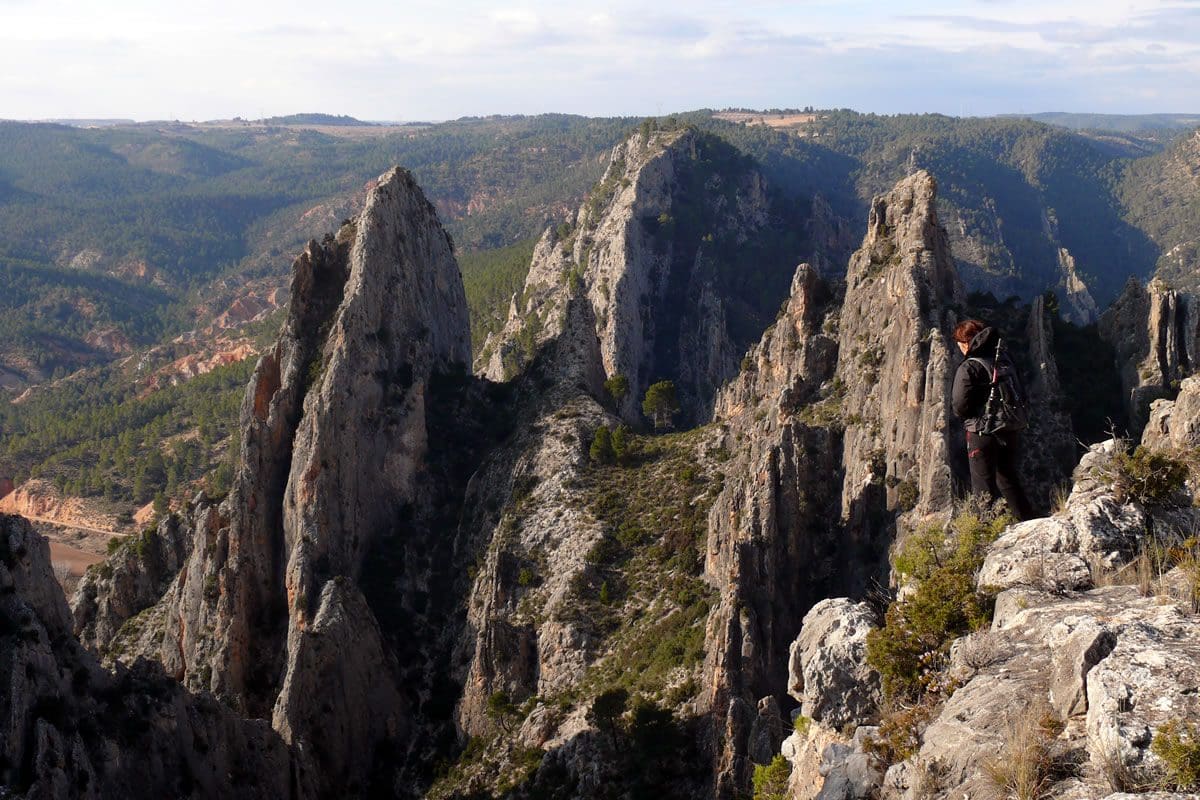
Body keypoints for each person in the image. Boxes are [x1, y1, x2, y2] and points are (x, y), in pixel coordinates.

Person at [951, 319, 1035, 521]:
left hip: (982, 434)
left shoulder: (970, 366)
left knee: (983, 488)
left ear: (966, 343)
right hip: (1009, 427)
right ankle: (1027, 520)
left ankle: (984, 533)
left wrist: (969, 416)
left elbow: (959, 406)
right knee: (1008, 477)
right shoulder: (1003, 358)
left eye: (960, 345)